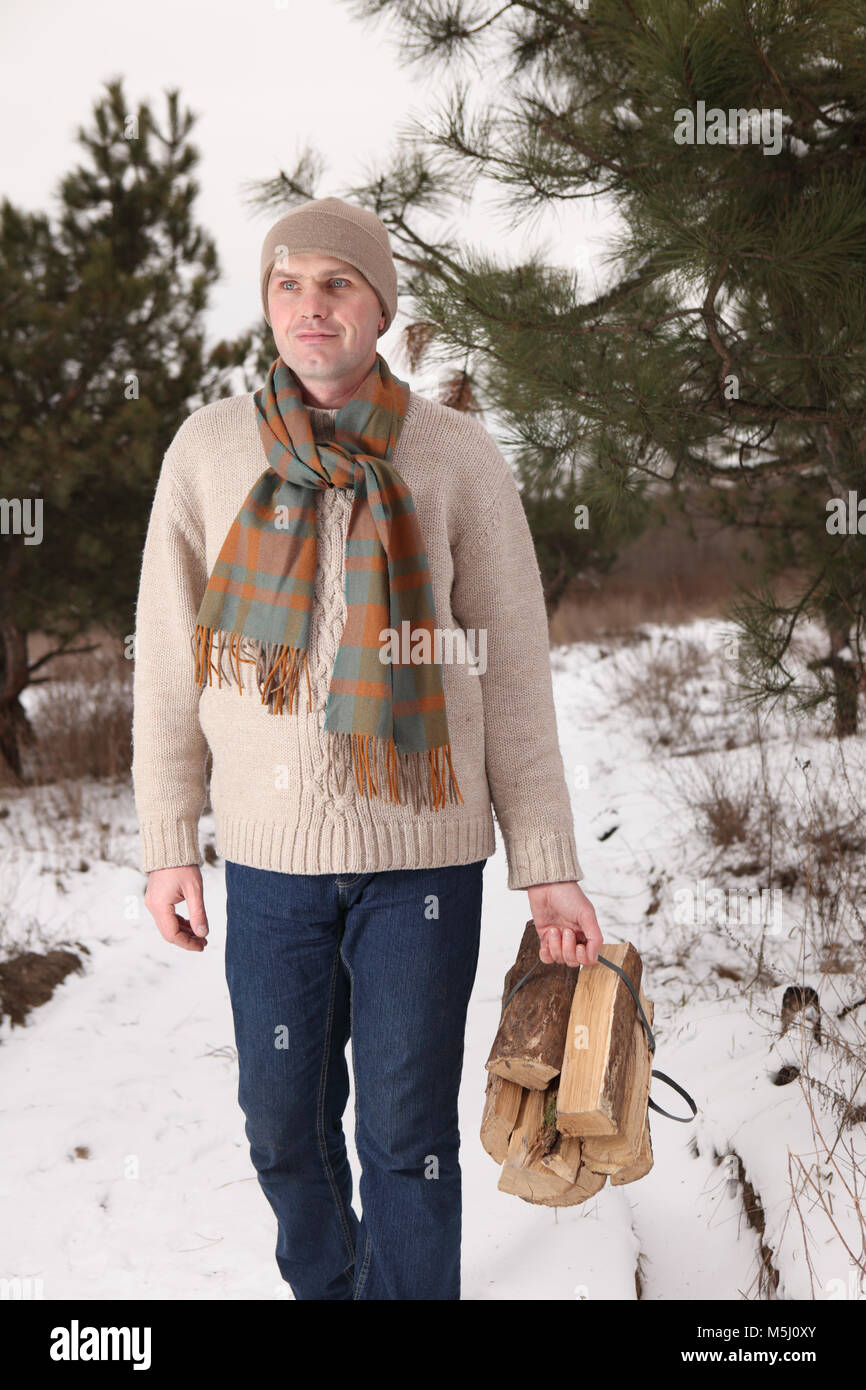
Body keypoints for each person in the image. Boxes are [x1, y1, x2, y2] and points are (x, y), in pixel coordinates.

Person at [132, 196, 603, 1300]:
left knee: (405, 1132)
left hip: (423, 859)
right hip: (269, 859)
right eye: (288, 284)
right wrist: (168, 844)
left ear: (378, 306)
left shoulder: (457, 459)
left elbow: (514, 675)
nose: (311, 306)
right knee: (282, 1124)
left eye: (336, 284)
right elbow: (167, 661)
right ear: (266, 303)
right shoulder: (208, 450)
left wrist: (546, 865)